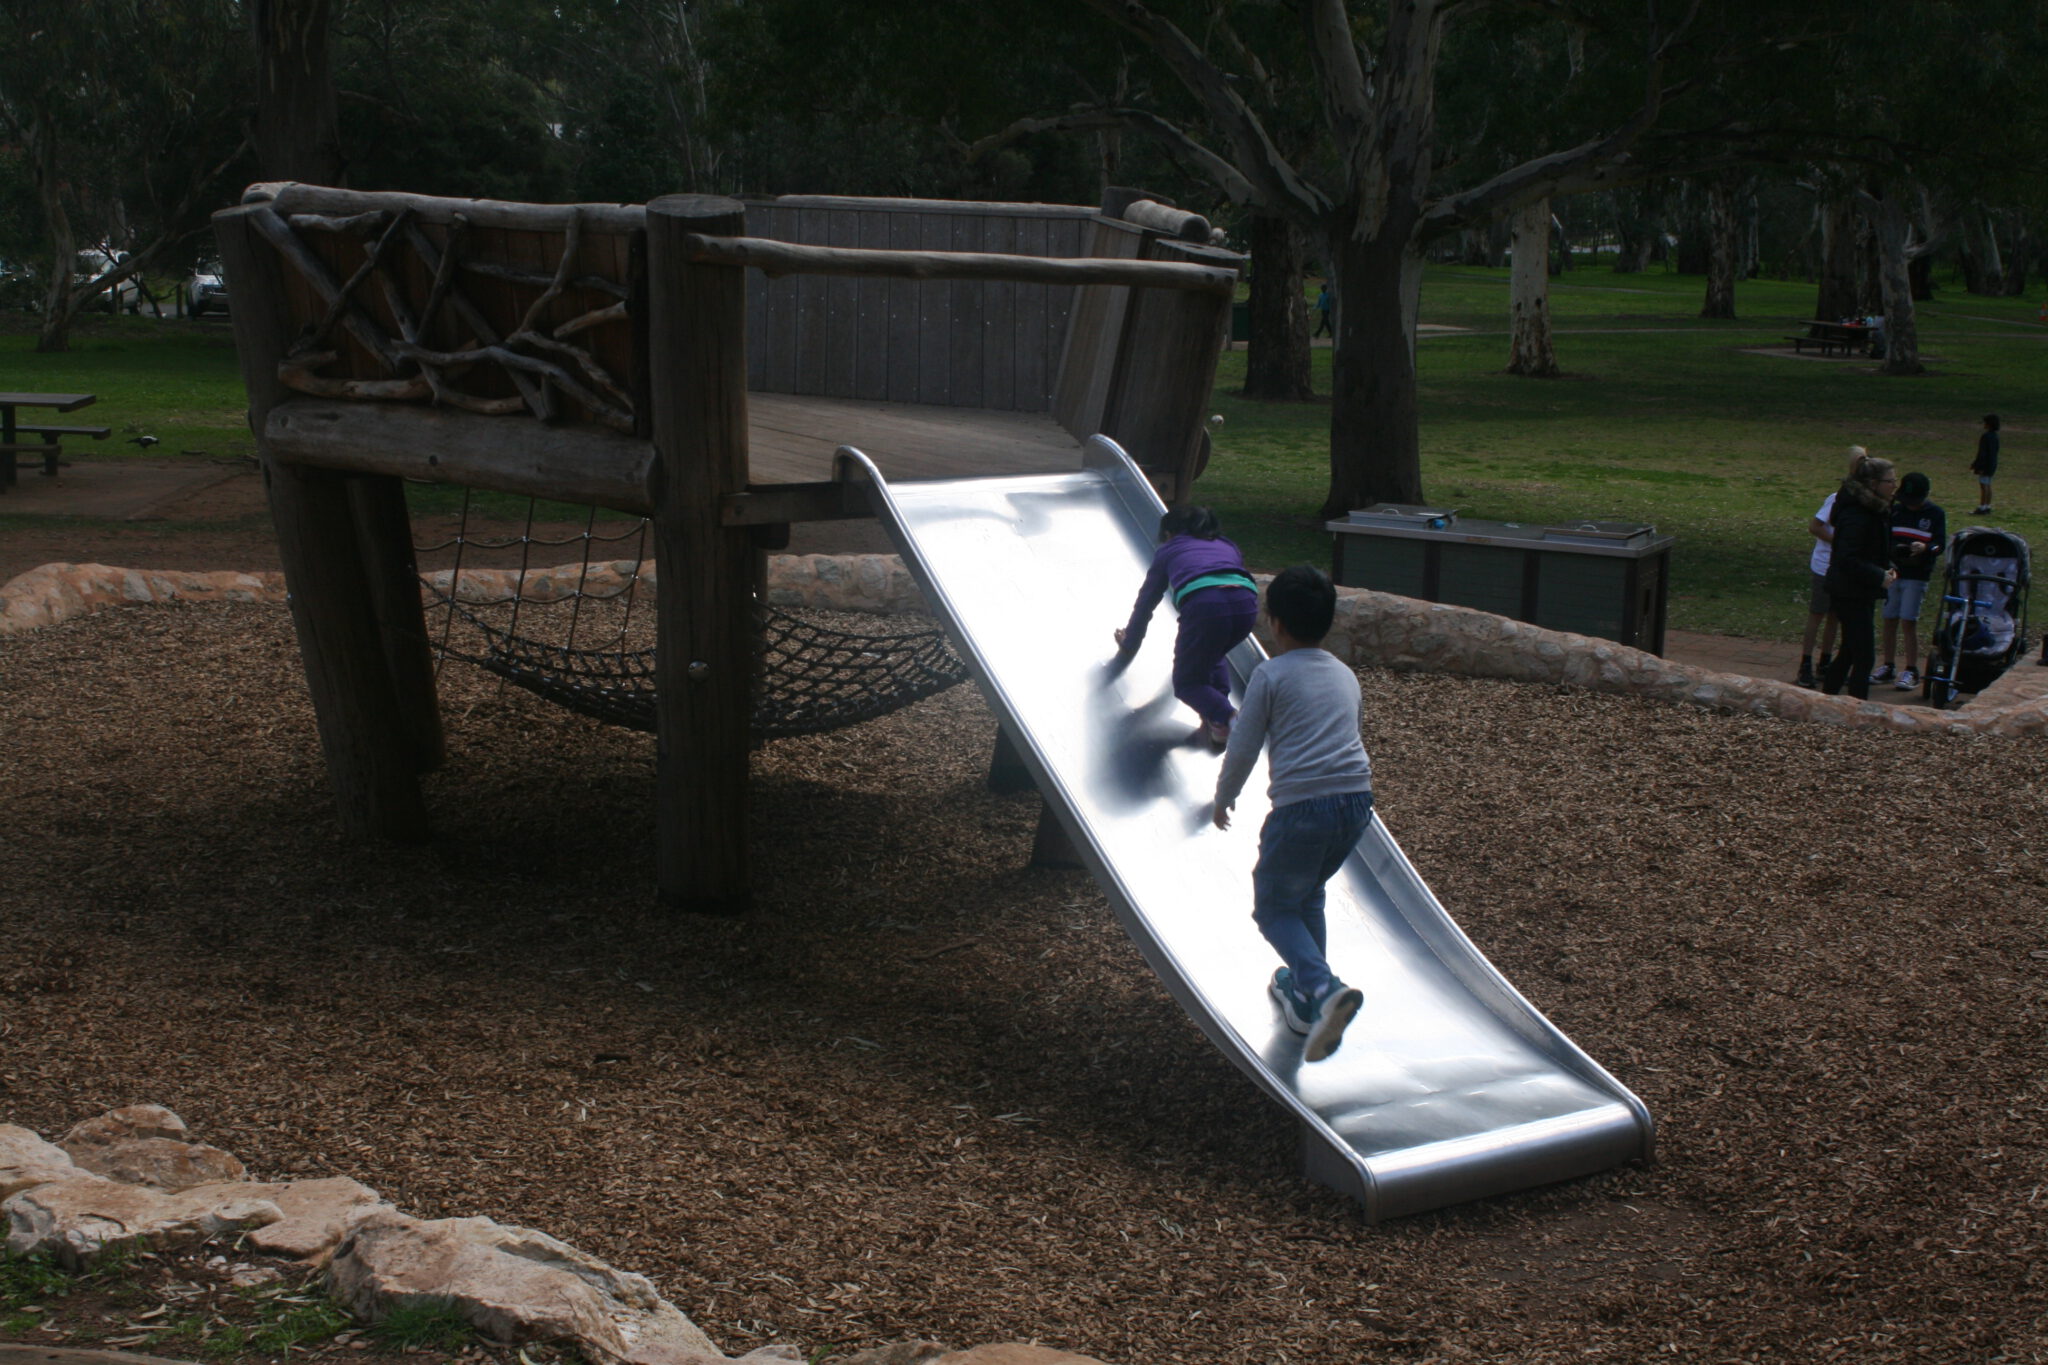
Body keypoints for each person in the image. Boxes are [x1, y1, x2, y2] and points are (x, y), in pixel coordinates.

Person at [1212, 566, 1374, 1063]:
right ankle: (1305, 997)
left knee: (1274, 907)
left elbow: (1243, 742)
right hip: (1357, 802)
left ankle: (1324, 989)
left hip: (1304, 807)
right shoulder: (1344, 673)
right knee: (1306, 895)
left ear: (1273, 622)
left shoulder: (1270, 674)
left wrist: (1224, 794)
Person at [1115, 506, 1260, 746]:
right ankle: (1217, 720)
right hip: (1246, 605)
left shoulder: (1169, 550)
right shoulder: (1227, 545)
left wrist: (1130, 642)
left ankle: (1230, 718)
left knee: (1187, 682)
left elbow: (1146, 602)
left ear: (1169, 534)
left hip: (1206, 606)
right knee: (1213, 652)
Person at [1820, 452, 1899, 699]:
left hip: (1858, 589)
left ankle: (1829, 698)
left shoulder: (1873, 510)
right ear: (1873, 485)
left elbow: (1872, 548)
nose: (1894, 486)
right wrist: (1877, 575)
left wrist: (1890, 564)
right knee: (1864, 655)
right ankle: (1855, 708)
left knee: (1850, 650)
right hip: (1849, 590)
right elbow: (1847, 557)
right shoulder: (1858, 513)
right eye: (1890, 481)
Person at [1874, 472, 1945, 692]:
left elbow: (1939, 544)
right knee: (1889, 618)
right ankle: (1888, 664)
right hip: (1894, 571)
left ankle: (1912, 668)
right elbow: (1884, 538)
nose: (1911, 506)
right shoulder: (1895, 510)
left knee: (1908, 620)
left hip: (1917, 575)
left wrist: (1925, 549)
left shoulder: (1935, 514)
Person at [1971, 414, 2000, 515]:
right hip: (1992, 464)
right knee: (1988, 484)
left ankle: (1982, 507)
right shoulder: (1995, 437)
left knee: (1983, 485)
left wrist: (1978, 465)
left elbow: (1982, 452)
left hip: (1985, 465)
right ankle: (1987, 506)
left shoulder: (1986, 436)